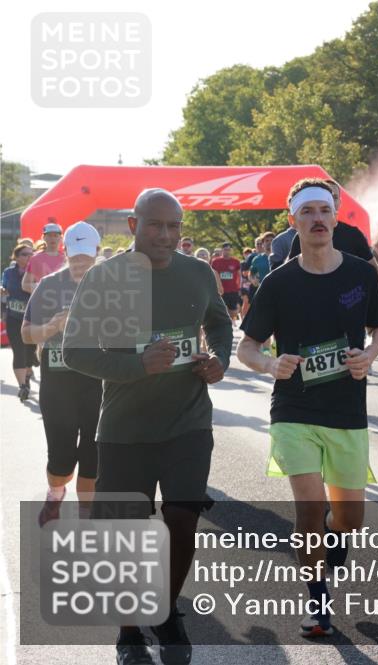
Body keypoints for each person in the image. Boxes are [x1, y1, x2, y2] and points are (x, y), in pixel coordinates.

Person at [62, 188, 232, 665]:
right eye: (155, 225)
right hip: (124, 427)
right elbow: (74, 350)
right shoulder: (104, 278)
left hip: (188, 422)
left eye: (174, 226)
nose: (166, 235)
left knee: (182, 520)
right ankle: (129, 631)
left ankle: (165, 609)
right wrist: (138, 365)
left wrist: (219, 359)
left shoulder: (198, 272)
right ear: (134, 226)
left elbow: (220, 324)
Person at [238, 177, 378, 637]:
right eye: (308, 212)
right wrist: (269, 364)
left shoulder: (362, 273)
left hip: (347, 410)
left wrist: (369, 356)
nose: (318, 219)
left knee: (349, 520)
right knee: (308, 512)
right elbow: (247, 348)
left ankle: (332, 530)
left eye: (324, 210)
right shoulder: (279, 283)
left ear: (335, 216)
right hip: (294, 409)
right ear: (293, 221)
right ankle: (318, 603)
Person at [23, 222, 103, 526]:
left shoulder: (112, 285)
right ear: (66, 251)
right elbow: (27, 334)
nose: (81, 262)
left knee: (94, 452)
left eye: (87, 256)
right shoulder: (48, 285)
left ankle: (86, 517)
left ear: (96, 252)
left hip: (98, 381)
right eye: (76, 256)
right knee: (61, 456)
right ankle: (55, 494)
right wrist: (52, 327)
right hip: (58, 384)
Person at [2, 244, 35, 401]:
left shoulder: (37, 270)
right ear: (16, 256)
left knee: (30, 352)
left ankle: (28, 375)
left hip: (33, 318)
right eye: (24, 254)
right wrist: (2, 289)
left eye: (31, 254)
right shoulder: (9, 272)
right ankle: (22, 386)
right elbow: (4, 285)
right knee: (18, 350)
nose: (29, 257)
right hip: (14, 318)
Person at [22, 222, 66, 292]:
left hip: (63, 299)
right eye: (49, 235)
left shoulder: (66, 259)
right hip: (41, 300)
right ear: (44, 238)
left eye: (55, 235)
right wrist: (43, 289)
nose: (52, 238)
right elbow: (25, 285)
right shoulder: (35, 258)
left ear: (61, 238)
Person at [211, 242, 242, 322]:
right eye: (225, 250)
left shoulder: (236, 262)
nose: (227, 251)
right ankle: (225, 325)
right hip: (220, 290)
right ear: (222, 250)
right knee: (221, 309)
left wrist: (239, 287)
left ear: (231, 250)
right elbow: (212, 275)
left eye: (228, 250)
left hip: (233, 290)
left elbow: (239, 276)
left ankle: (230, 323)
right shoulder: (215, 261)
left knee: (233, 311)